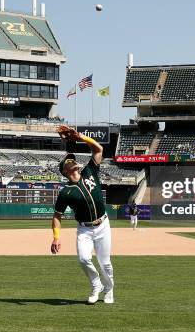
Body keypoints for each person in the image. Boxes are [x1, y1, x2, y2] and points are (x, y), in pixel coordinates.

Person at [50, 125, 114, 304]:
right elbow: (57, 216)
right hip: (84, 229)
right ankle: (96, 285)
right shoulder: (65, 192)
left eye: (72, 159)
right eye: (68, 161)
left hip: (102, 225)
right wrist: (56, 237)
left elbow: (99, 149)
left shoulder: (89, 171)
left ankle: (109, 290)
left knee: (105, 263)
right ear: (65, 171)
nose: (72, 161)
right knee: (83, 258)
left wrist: (81, 137)